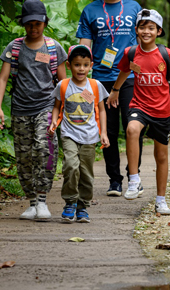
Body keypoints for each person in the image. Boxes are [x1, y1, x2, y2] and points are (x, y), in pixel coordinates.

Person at [107, 9, 170, 215]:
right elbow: (125, 70)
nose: (146, 31)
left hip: (162, 111)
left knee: (161, 156)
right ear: (136, 30)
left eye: (151, 28)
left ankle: (161, 200)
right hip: (139, 106)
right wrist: (115, 90)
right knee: (132, 129)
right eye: (142, 27)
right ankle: (134, 180)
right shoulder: (131, 52)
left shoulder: (166, 55)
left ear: (159, 31)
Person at [0, 0, 68, 221]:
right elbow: (3, 78)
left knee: (44, 148)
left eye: (37, 24)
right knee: (24, 156)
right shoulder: (15, 48)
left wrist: (62, 112)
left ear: (45, 23)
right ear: (23, 24)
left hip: (46, 107)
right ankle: (32, 202)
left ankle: (43, 200)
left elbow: (63, 83)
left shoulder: (54, 48)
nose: (33, 28)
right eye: (29, 24)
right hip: (20, 109)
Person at [76, 0, 143, 197]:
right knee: (109, 131)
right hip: (102, 78)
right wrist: (80, 78)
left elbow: (144, 41)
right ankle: (115, 180)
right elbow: (84, 47)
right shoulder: (90, 10)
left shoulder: (134, 8)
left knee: (133, 126)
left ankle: (134, 175)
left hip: (130, 77)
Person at [49, 44, 110, 223]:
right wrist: (54, 121)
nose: (81, 69)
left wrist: (103, 132)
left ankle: (82, 206)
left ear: (91, 65)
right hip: (69, 134)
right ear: (69, 65)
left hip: (90, 136)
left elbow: (101, 110)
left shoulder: (95, 86)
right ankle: (70, 202)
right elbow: (57, 106)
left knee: (86, 172)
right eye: (77, 65)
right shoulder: (63, 85)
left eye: (85, 65)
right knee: (70, 166)